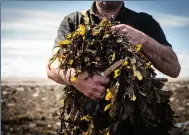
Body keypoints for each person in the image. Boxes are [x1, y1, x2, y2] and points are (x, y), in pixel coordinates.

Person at [47, 1, 181, 134]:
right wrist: (75, 78)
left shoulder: (144, 21)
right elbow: (52, 67)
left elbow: (174, 68)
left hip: (136, 123)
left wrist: (142, 40)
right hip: (86, 124)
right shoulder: (74, 20)